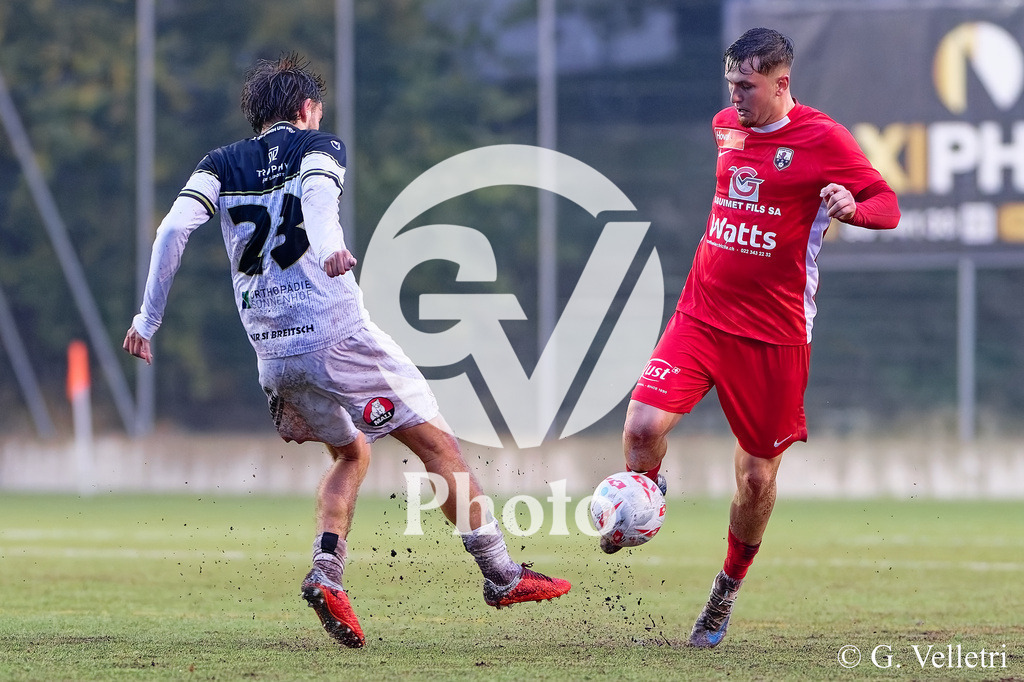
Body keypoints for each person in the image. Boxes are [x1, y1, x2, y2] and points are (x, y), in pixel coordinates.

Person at [123, 54, 570, 649]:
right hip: (338, 339)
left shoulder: (218, 163)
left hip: (272, 353)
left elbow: (171, 232)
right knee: (438, 447)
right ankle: (503, 575)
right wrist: (331, 248)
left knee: (351, 454)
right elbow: (316, 201)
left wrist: (146, 321)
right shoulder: (319, 147)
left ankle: (326, 572)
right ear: (308, 109)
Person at [615, 28, 900, 648]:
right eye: (731, 85)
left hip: (774, 337)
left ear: (781, 83)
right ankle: (646, 495)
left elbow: (888, 204)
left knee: (754, 478)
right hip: (701, 314)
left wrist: (853, 208)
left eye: (747, 86)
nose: (736, 97)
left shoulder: (823, 139)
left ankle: (725, 592)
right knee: (641, 428)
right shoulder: (727, 127)